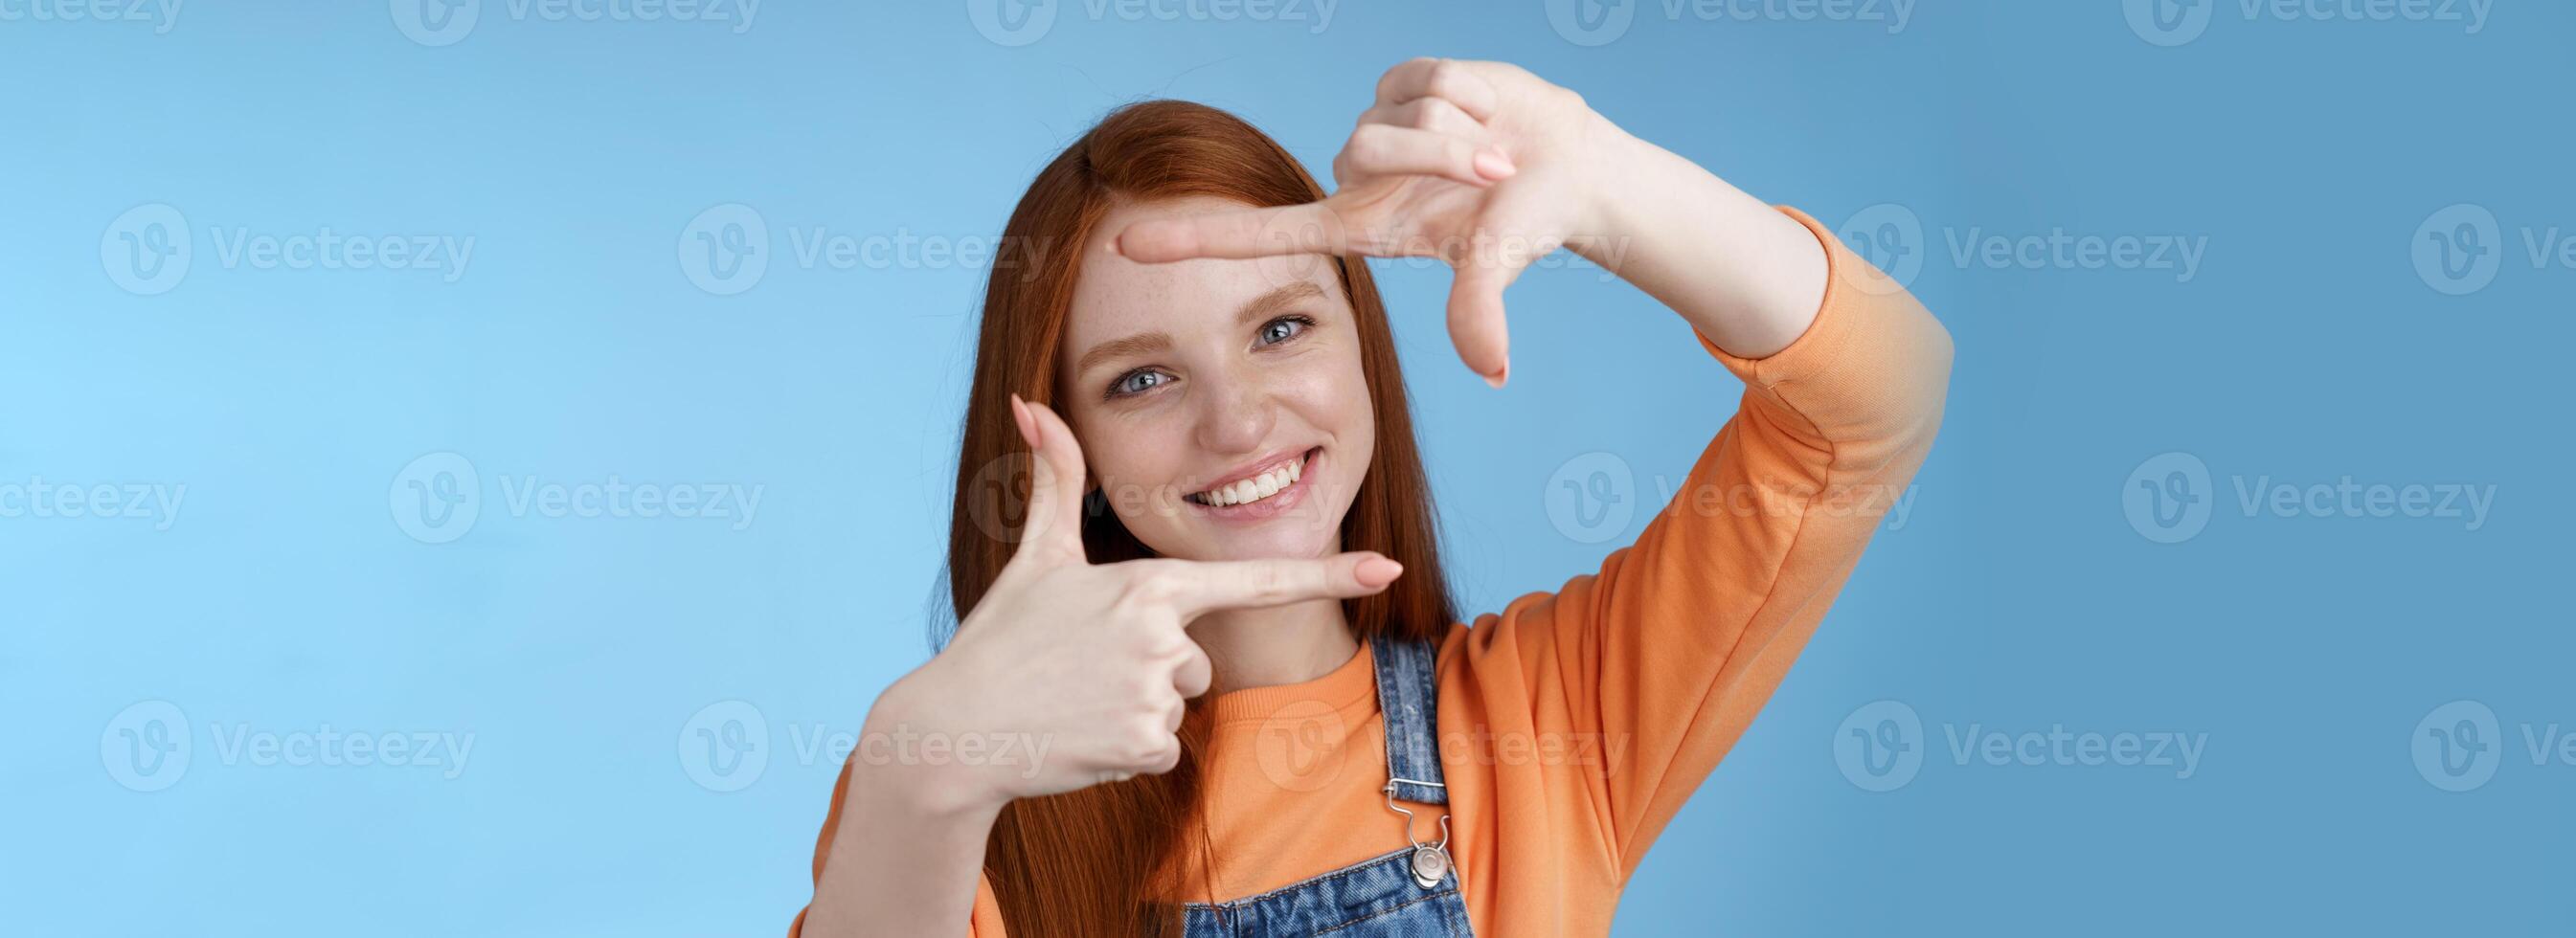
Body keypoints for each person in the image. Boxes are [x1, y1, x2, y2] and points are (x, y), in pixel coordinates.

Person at [791, 57, 1953, 937]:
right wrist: (924, 763)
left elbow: (1876, 394)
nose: (1236, 420)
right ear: (1068, 439)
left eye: (1280, 327)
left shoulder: (1543, 725)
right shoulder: (955, 786)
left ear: (1362, 350)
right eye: (1140, 377)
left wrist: (1609, 186)